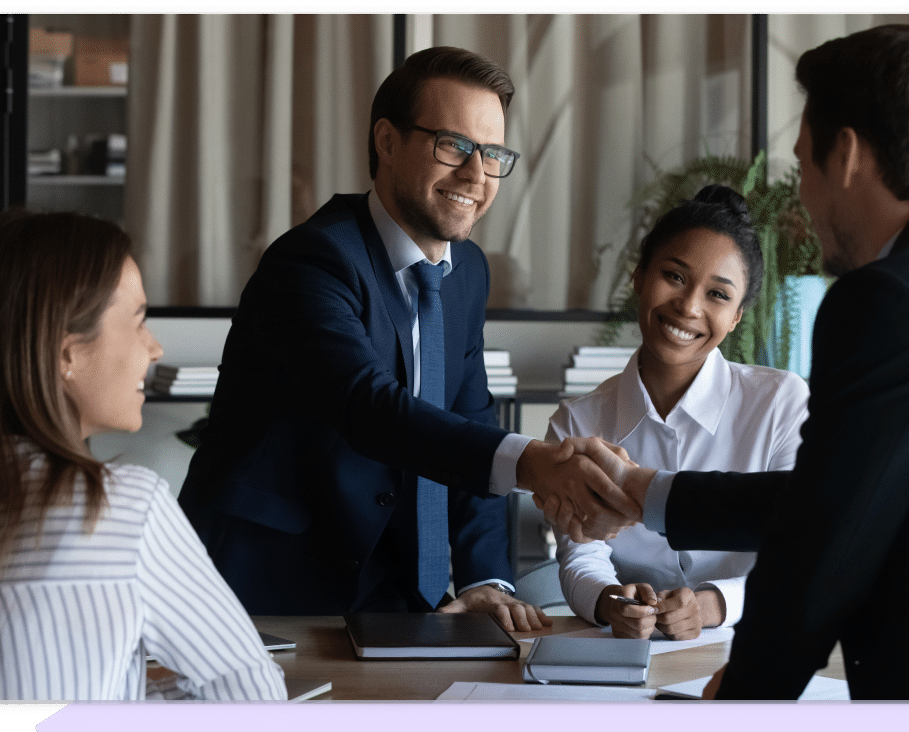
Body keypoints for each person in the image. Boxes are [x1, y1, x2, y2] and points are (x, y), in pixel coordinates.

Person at [545, 25, 909, 700]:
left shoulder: (892, 300)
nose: (805, 205)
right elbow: (832, 497)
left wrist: (746, 702)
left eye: (804, 161)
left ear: (843, 155)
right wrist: (647, 491)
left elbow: (820, 547)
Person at [178, 46, 635, 627]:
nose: (476, 174)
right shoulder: (313, 261)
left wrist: (485, 578)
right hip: (266, 587)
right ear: (387, 142)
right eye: (454, 146)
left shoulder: (468, 271)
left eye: (492, 153)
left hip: (394, 592)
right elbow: (370, 408)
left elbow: (471, 422)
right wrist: (537, 466)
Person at [0, 210, 287, 702]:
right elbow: (252, 697)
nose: (154, 347)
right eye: (138, 322)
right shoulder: (120, 508)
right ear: (66, 354)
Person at [548, 185, 810, 641]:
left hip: (751, 650)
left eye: (718, 295)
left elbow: (800, 554)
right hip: (627, 654)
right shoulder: (577, 423)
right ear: (638, 276)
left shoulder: (782, 404)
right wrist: (611, 602)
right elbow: (580, 556)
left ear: (737, 318)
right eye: (674, 276)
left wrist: (711, 606)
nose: (689, 307)